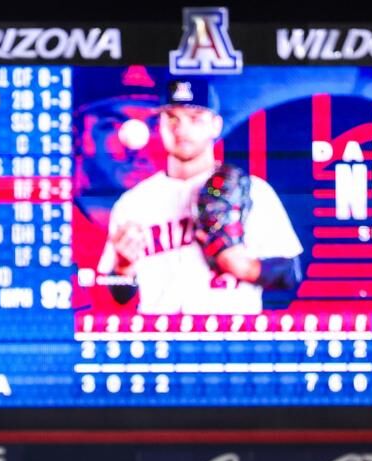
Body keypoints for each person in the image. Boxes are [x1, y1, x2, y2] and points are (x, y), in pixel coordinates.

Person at [96, 78, 303, 314]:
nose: (181, 129)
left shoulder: (253, 191)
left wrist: (244, 267)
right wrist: (123, 267)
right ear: (160, 125)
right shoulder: (133, 203)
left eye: (195, 118)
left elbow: (289, 274)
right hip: (160, 339)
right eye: (172, 118)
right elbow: (117, 296)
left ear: (215, 125)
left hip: (230, 336)